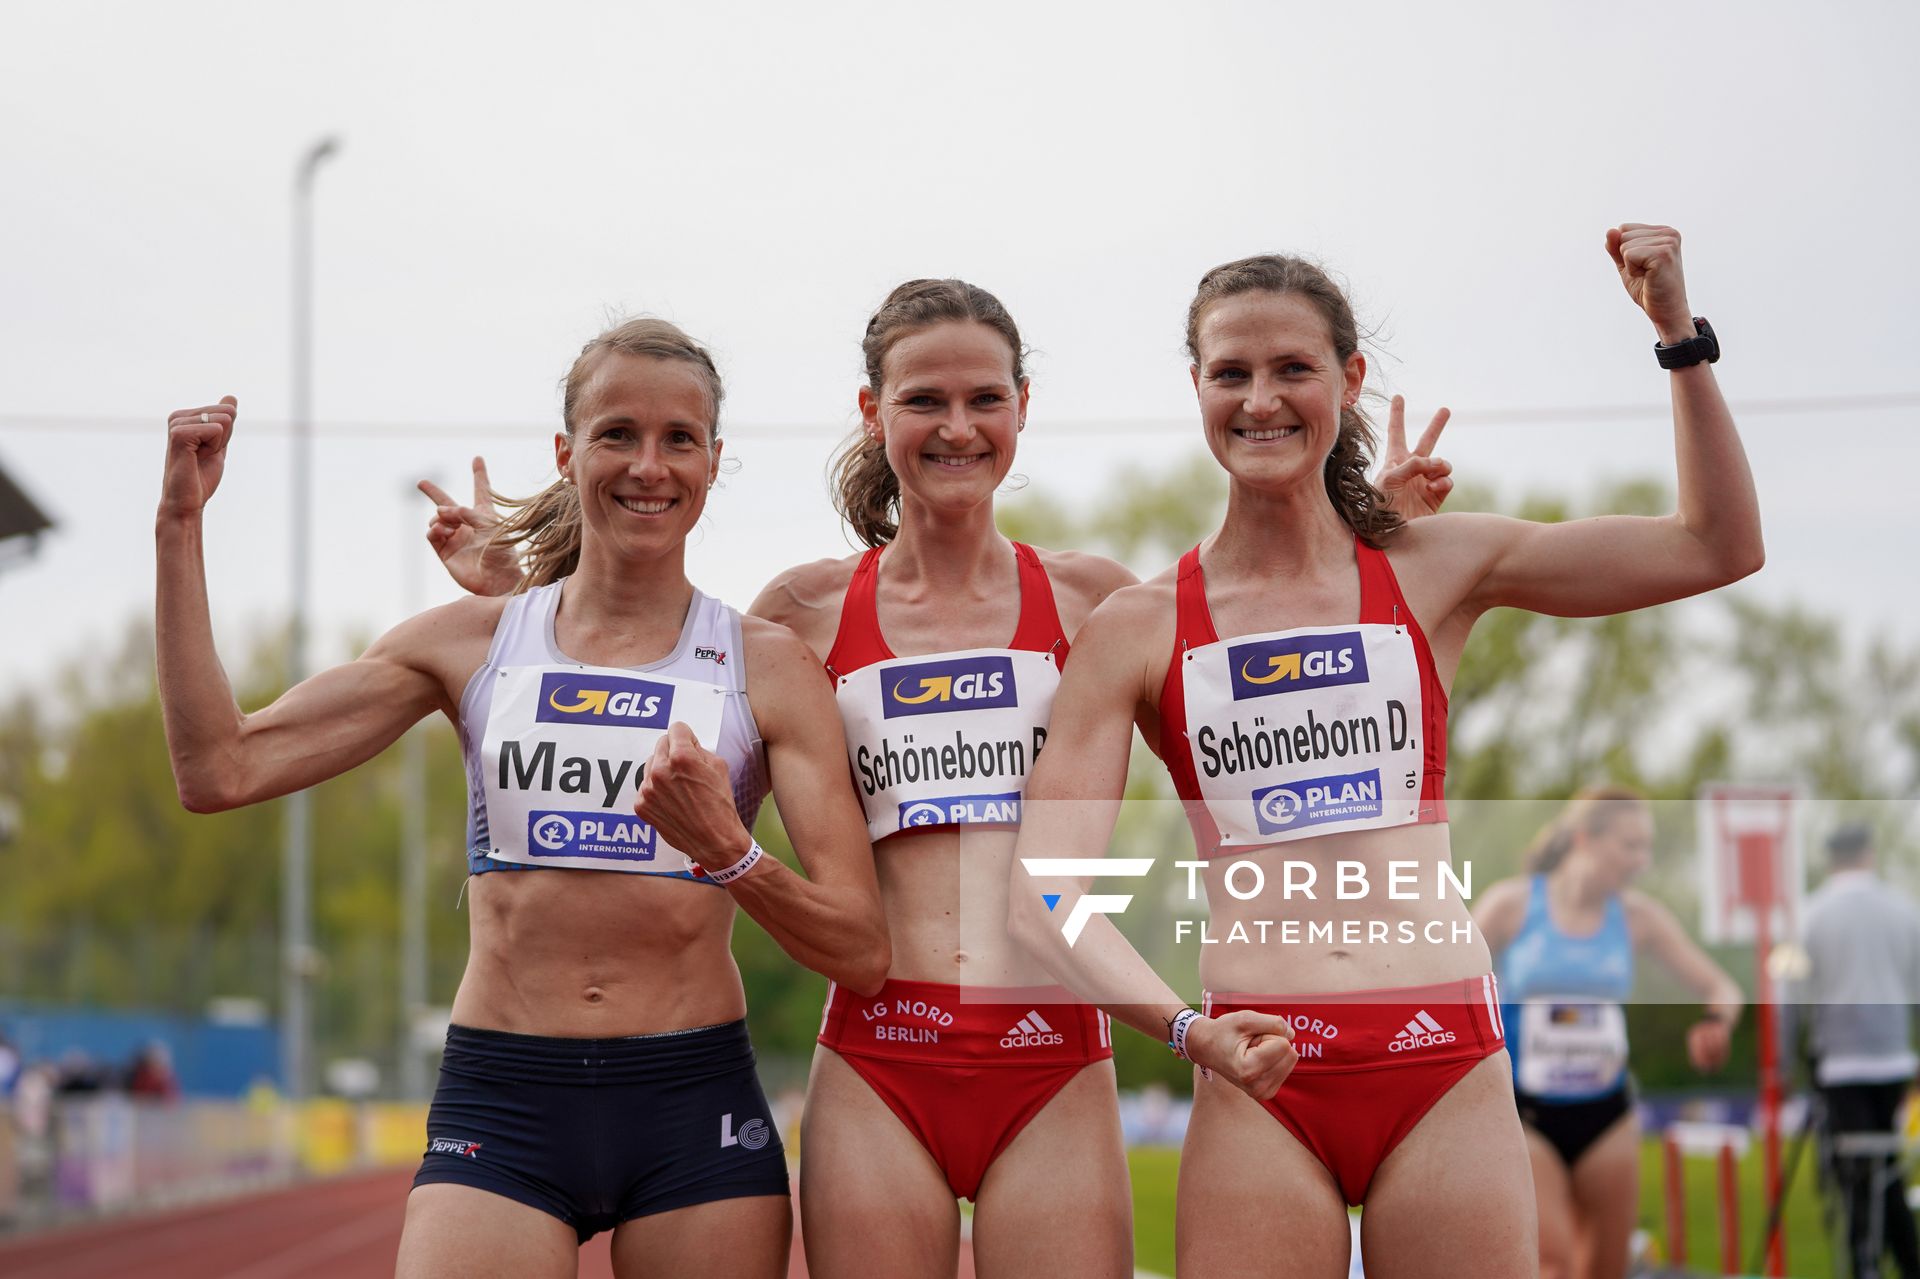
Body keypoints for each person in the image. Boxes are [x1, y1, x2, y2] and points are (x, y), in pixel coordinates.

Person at [425, 281, 1456, 1277]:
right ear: (874, 415)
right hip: (882, 1056)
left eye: (983, 401)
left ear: (1021, 413)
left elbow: (1255, 662)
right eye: (923, 400)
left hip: (1054, 1057)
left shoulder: (1098, 600)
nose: (956, 427)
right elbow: (666, 679)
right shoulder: (808, 612)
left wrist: (1359, 526)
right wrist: (525, 597)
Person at [1010, 223, 1763, 1276]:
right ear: (1196, 387)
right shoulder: (1139, 629)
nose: (1261, 398)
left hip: (1440, 1061)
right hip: (1259, 1072)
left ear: (1350, 379)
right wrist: (1185, 1030)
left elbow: (1715, 545)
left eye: (1293, 370)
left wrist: (1678, 335)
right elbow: (1041, 891)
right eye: (1231, 372)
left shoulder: (1433, 567)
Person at [157, 318, 889, 1279]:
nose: (648, 465)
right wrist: (179, 527)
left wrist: (729, 849)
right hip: (504, 1099)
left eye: (679, 439)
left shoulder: (766, 668)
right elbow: (221, 768)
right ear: (567, 451)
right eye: (617, 432)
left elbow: (862, 950)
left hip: (690, 1101)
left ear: (715, 461)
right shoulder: (471, 643)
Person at [1474, 786, 1742, 1279]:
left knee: (1605, 1271)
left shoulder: (1640, 917)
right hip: (1525, 1114)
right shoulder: (1511, 905)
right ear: (1585, 839)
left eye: (1647, 847)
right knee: (1551, 1264)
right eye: (1631, 845)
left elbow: (1722, 985)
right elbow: (1449, 984)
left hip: (1608, 1115)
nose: (1643, 860)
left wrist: (1716, 1020)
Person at [1785, 822, 1920, 1279]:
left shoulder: (1810, 913)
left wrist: (1786, 1060)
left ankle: (1868, 1261)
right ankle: (1897, 1259)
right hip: (1894, 1060)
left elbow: (1790, 994)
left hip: (1839, 1063)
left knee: (1859, 1172)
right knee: (1883, 1169)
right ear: (1869, 853)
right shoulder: (1905, 910)